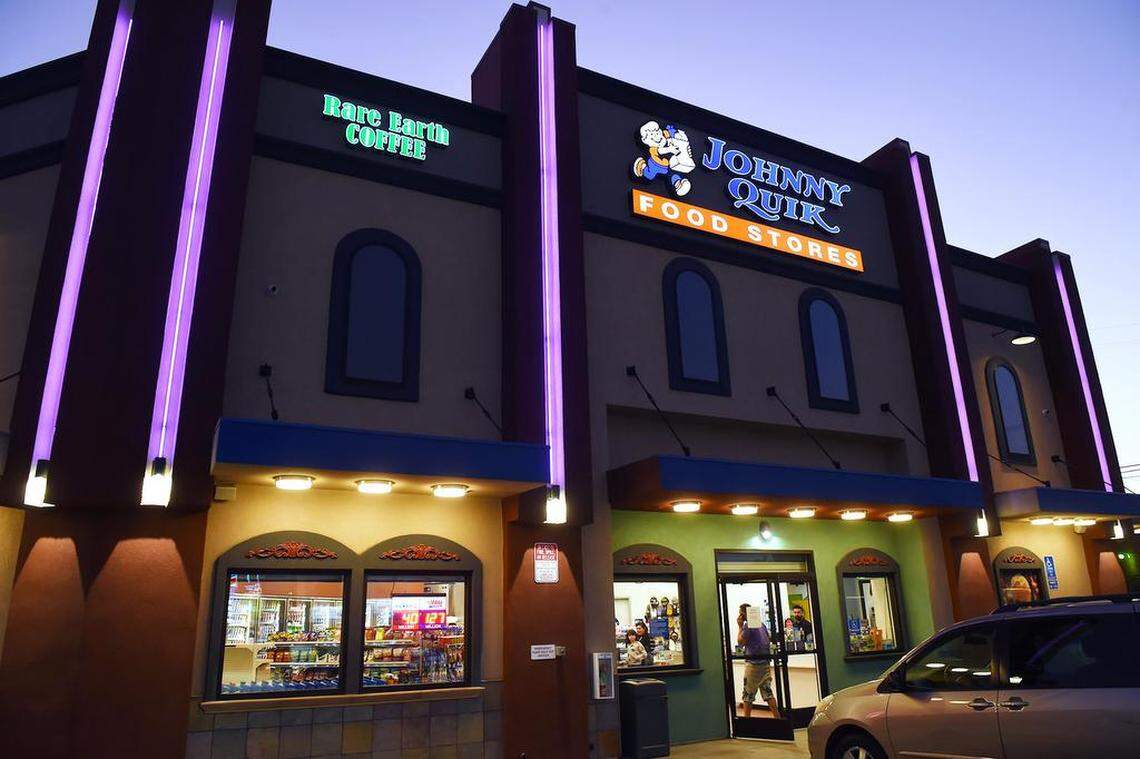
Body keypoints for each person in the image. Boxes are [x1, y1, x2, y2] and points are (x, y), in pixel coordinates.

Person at [737, 603, 778, 718]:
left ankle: (747, 721)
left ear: (744, 613)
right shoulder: (761, 624)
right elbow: (768, 638)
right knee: (768, 692)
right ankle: (777, 718)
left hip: (753, 664)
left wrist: (740, 626)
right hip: (764, 663)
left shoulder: (748, 625)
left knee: (748, 694)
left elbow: (741, 642)